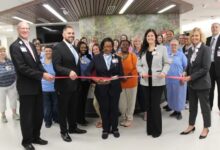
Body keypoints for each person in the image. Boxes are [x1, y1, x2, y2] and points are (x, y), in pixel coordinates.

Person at [10, 21, 54, 150]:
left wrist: (45, 73)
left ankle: (36, 136)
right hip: (26, 88)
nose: (25, 30)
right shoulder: (15, 46)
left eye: (27, 28)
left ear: (29, 30)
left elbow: (38, 64)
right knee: (27, 116)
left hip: (37, 86)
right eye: (22, 28)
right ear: (18, 30)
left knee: (38, 114)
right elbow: (21, 68)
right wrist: (42, 75)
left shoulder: (31, 45)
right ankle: (26, 141)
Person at [52, 25, 86, 143]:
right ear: (63, 35)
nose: (71, 35)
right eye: (69, 33)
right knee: (63, 110)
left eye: (72, 33)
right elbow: (56, 66)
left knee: (73, 108)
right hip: (63, 86)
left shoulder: (75, 48)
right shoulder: (57, 48)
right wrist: (68, 71)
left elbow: (76, 65)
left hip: (75, 85)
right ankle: (64, 132)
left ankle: (72, 127)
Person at [86, 37, 124, 139]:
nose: (109, 48)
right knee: (104, 109)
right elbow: (87, 72)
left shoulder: (117, 58)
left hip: (114, 88)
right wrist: (96, 79)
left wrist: (114, 78)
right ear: (102, 47)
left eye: (110, 46)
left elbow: (121, 74)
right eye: (106, 46)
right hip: (101, 88)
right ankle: (105, 129)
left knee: (114, 109)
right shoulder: (96, 58)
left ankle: (115, 128)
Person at [137, 29, 170, 138]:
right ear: (146, 38)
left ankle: (157, 130)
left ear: (155, 37)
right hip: (145, 82)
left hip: (158, 82)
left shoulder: (162, 48)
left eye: (152, 36)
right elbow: (138, 65)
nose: (150, 37)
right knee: (148, 106)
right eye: (148, 36)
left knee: (155, 106)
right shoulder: (143, 50)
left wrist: (164, 72)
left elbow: (167, 63)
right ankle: (150, 129)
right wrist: (142, 73)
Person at [181, 27, 211, 139]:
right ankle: (191, 125)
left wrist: (190, 77)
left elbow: (205, 68)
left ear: (201, 36)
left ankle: (206, 127)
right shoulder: (190, 50)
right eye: (193, 36)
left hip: (203, 84)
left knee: (205, 108)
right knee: (192, 107)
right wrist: (185, 72)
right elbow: (189, 65)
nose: (194, 38)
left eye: (197, 35)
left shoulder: (206, 49)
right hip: (192, 84)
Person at [118, 40, 138, 127]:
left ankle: (129, 118)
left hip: (131, 83)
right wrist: (121, 76)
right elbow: (114, 68)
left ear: (129, 46)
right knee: (122, 103)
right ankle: (123, 117)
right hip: (120, 83)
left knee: (131, 102)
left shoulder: (133, 56)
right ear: (120, 46)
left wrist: (127, 76)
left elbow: (136, 68)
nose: (125, 46)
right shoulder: (116, 56)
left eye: (127, 45)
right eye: (123, 44)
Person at [166, 39, 187, 120]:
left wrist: (184, 75)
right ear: (170, 46)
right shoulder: (167, 55)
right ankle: (174, 110)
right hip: (169, 80)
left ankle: (179, 112)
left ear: (178, 46)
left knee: (179, 96)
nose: (173, 46)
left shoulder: (181, 55)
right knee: (171, 96)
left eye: (175, 45)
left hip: (179, 80)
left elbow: (186, 67)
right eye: (172, 45)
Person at [0, 46, 19, 123]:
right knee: (2, 102)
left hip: (12, 84)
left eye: (4, 51)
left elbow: (14, 70)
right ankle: (3, 115)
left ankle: (14, 114)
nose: (2, 53)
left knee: (13, 100)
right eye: (1, 51)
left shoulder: (9, 61)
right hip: (1, 87)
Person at [41, 45, 58, 128]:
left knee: (55, 106)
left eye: (49, 51)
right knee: (47, 106)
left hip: (54, 88)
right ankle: (48, 121)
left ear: (52, 52)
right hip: (44, 88)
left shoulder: (55, 62)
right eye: (46, 51)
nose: (47, 52)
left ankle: (56, 118)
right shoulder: (40, 61)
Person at [77, 41, 92, 126]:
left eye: (85, 47)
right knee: (79, 102)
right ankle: (79, 119)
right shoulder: (76, 57)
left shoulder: (89, 56)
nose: (83, 49)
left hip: (87, 83)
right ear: (79, 47)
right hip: (79, 83)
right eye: (82, 47)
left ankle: (82, 118)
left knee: (83, 101)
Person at [206, 23, 220, 111]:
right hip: (209, 67)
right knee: (209, 88)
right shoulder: (208, 39)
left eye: (216, 27)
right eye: (212, 27)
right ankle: (209, 107)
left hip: (219, 67)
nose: (214, 28)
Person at [91, 44, 102, 128]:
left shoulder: (103, 58)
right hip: (95, 85)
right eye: (93, 49)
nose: (95, 51)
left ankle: (103, 120)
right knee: (95, 103)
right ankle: (102, 118)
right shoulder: (92, 60)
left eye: (96, 49)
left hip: (103, 84)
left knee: (102, 103)